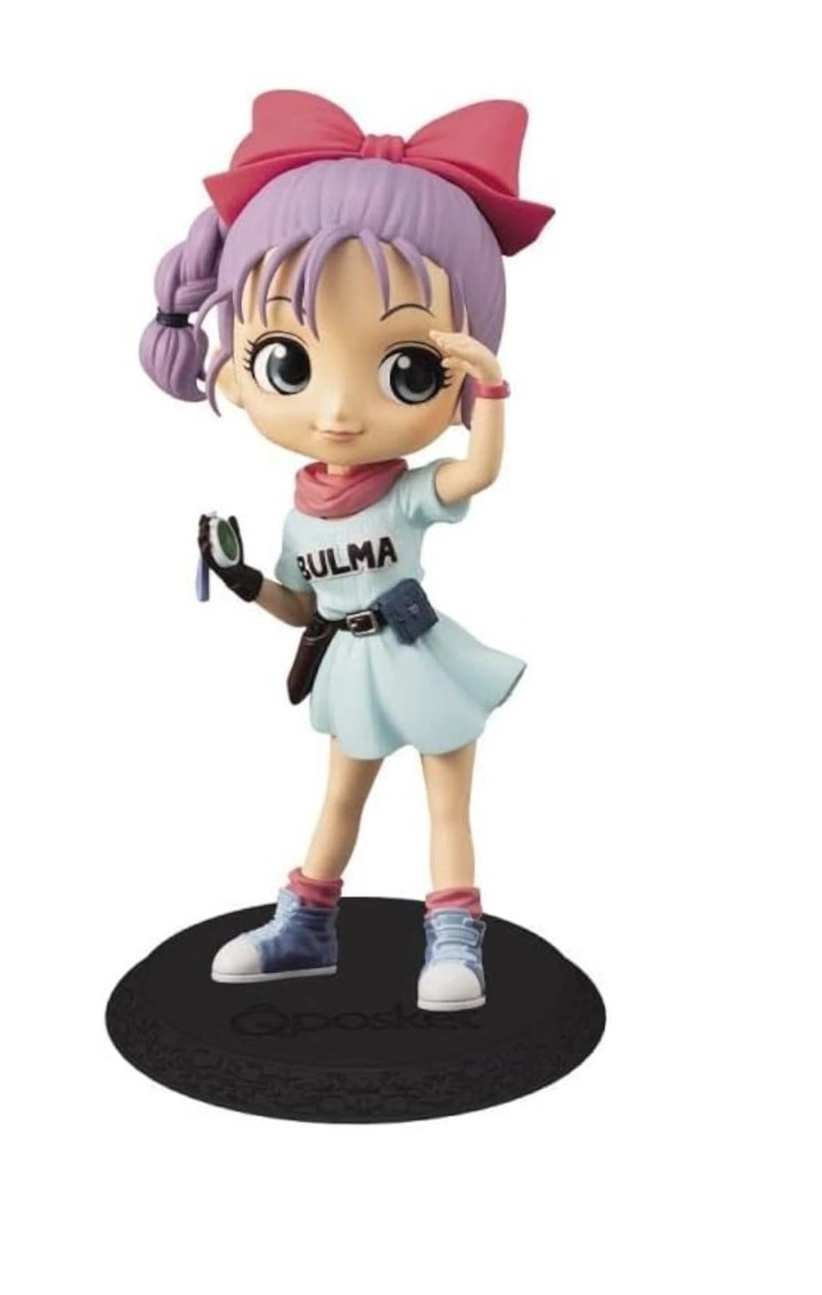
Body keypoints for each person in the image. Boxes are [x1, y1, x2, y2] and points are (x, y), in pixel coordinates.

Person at [139, 91, 553, 1010]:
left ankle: (455, 937)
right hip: (351, 666)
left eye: (407, 369)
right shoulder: (303, 513)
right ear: (235, 367)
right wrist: (244, 578)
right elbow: (300, 603)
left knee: (447, 801)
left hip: (422, 655)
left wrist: (491, 389)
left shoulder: (405, 491)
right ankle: (306, 926)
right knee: (339, 799)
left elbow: (476, 472)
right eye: (288, 362)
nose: (335, 410)